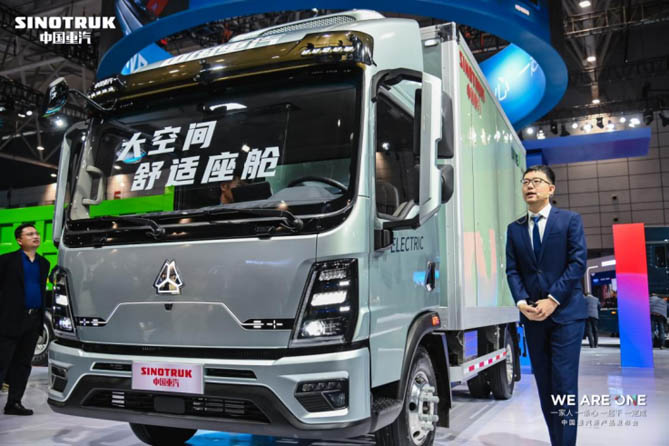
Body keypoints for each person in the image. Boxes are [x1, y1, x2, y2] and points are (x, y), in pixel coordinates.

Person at [506, 165, 587, 446]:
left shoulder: (569, 221)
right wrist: (521, 302)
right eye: (525, 181)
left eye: (537, 181)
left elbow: (577, 263)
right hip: (533, 317)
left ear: (551, 189)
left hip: (566, 315)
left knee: (564, 385)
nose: (530, 186)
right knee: (545, 385)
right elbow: (512, 270)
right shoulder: (514, 229)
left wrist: (553, 299)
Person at [0, 223, 50, 416]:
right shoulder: (6, 261)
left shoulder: (44, 263)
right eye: (30, 234)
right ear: (19, 240)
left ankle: (14, 403)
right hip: (9, 320)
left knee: (23, 364)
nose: (35, 236)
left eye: (36, 233)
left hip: (33, 320)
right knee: (2, 362)